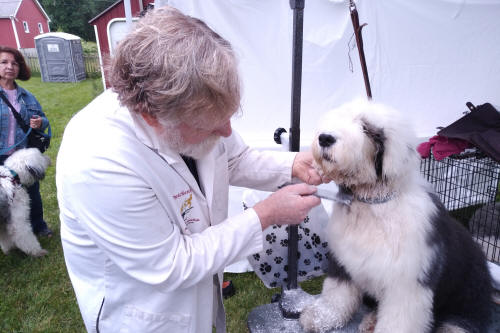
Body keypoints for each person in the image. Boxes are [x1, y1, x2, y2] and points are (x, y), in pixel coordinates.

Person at [56, 6, 325, 333]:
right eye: (212, 125)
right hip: (146, 314)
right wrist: (265, 215)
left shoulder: (191, 107)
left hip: (196, 291)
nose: (227, 131)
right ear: (155, 117)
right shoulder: (98, 160)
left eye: (229, 117)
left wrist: (292, 164)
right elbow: (171, 264)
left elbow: (233, 157)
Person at [0, 46, 52, 237]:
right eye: (4, 62)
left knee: (32, 193)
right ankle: (7, 233)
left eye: (14, 63)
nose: (10, 67)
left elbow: (44, 120)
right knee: (4, 198)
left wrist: (40, 122)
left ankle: (39, 226)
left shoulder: (27, 96)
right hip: (0, 157)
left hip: (21, 156)